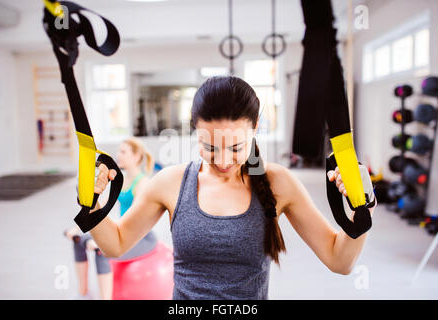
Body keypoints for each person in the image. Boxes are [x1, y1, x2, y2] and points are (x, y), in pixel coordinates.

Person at [89, 76, 377, 299]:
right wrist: (91, 200)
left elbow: (339, 260)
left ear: (256, 128)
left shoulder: (279, 183)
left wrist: (361, 207)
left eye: (236, 147)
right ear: (195, 132)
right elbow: (115, 244)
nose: (223, 161)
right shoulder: (171, 182)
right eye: (210, 147)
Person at [64, 137, 157, 300]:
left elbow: (135, 219)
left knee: (102, 250)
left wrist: (103, 239)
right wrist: (79, 229)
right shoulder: (122, 180)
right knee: (79, 240)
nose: (118, 155)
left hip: (141, 238)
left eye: (123, 152)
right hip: (125, 231)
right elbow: (102, 209)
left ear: (136, 157)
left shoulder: (142, 183)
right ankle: (83, 293)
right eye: (118, 151)